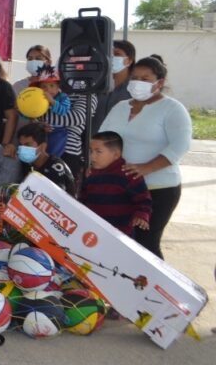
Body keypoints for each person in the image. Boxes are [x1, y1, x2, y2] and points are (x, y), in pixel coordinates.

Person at [99, 56, 191, 258]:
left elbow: (180, 145)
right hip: (122, 188)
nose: (138, 82)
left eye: (145, 79)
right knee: (123, 244)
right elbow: (102, 139)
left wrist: (145, 168)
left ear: (160, 82)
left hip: (159, 189)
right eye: (135, 77)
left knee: (146, 246)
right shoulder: (120, 107)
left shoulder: (172, 109)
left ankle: (159, 288)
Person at [80, 131, 152, 237]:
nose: (92, 156)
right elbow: (83, 197)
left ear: (116, 155)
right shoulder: (91, 173)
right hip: (94, 231)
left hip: (121, 235)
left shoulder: (128, 174)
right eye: (91, 151)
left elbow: (143, 199)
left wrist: (141, 215)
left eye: (98, 152)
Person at [33, 64, 96, 179]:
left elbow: (76, 119)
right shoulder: (44, 93)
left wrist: (44, 116)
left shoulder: (88, 95)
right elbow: (33, 114)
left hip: (68, 152)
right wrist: (38, 123)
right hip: (42, 149)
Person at [15, 122, 76, 195]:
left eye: (27, 145)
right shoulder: (27, 163)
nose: (22, 149)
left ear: (43, 146)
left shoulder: (56, 169)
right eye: (20, 145)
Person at [94, 39, 136, 132]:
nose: (112, 57)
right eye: (109, 54)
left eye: (117, 54)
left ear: (129, 60)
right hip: (92, 142)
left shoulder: (135, 89)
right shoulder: (95, 85)